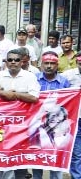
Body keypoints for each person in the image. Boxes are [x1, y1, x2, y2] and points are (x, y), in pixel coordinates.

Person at [0, 48, 40, 179]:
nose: (13, 62)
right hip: (2, 124)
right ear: (6, 62)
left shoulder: (30, 77)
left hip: (23, 125)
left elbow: (34, 97)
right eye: (10, 60)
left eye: (16, 60)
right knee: (3, 159)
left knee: (20, 160)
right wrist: (2, 93)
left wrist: (15, 94)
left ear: (22, 62)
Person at [30, 51, 70, 179]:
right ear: (41, 64)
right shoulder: (34, 79)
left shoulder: (64, 82)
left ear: (57, 65)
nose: (49, 66)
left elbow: (70, 104)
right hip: (37, 124)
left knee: (56, 157)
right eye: (46, 63)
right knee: (37, 157)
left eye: (52, 63)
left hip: (57, 126)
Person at [61, 52, 81, 178]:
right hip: (77, 117)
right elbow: (57, 86)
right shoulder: (68, 75)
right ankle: (77, 176)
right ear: (77, 62)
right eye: (80, 63)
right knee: (77, 152)